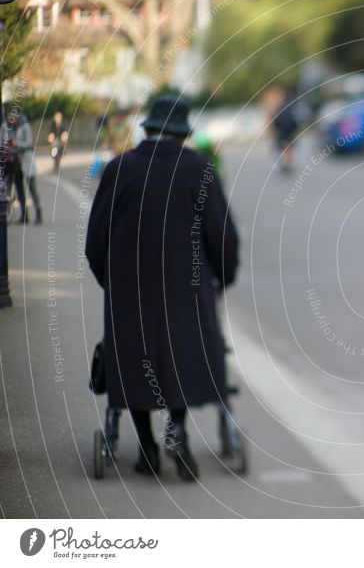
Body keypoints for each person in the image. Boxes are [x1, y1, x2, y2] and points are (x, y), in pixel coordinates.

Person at [86, 96, 239, 481]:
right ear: (182, 133)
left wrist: (113, 280)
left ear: (150, 129)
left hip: (129, 291)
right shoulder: (199, 170)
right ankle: (177, 431)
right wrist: (223, 275)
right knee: (181, 357)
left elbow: (95, 242)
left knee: (133, 361)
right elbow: (222, 237)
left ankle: (147, 449)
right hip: (185, 289)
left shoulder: (119, 169)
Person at [15, 113, 42, 224]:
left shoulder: (25, 126)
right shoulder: (14, 128)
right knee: (19, 190)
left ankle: (39, 214)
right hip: (17, 162)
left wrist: (17, 143)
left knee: (32, 189)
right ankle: (24, 215)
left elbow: (29, 143)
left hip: (27, 161)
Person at [272, 87, 299, 174]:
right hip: (289, 133)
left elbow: (276, 122)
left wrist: (276, 129)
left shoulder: (279, 109)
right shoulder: (291, 108)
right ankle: (287, 164)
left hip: (282, 133)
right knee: (288, 149)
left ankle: (285, 164)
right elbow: (294, 122)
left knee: (282, 149)